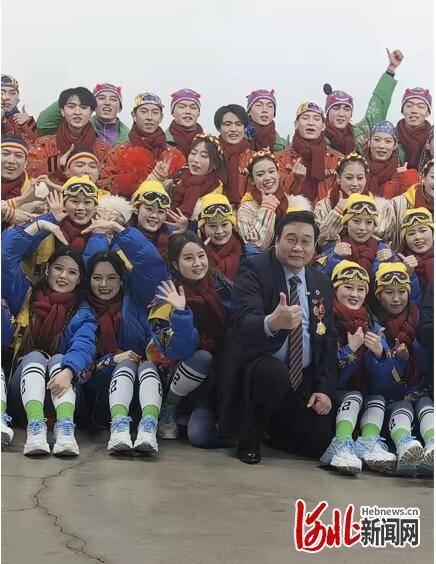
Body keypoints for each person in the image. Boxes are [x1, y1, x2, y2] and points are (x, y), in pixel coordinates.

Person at [216, 211, 338, 464]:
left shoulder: (321, 281)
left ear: (314, 246)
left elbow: (327, 337)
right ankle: (249, 437)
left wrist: (324, 390)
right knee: (273, 374)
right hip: (260, 368)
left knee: (320, 440)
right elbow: (243, 321)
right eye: (291, 239)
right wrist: (272, 322)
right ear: (277, 240)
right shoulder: (255, 269)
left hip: (300, 377)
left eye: (306, 241)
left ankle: (273, 430)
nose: (298, 247)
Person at [3, 223, 97, 456]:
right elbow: (5, 256)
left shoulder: (83, 312)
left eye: (72, 272)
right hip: (21, 394)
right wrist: (42, 224)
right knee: (35, 356)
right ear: (47, 270)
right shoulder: (25, 294)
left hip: (64, 394)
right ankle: (36, 429)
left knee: (60, 360)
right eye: (58, 268)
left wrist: (69, 371)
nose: (63, 276)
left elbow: (84, 345)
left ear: (79, 279)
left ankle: (65, 430)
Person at [79, 216, 168, 454]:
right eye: (97, 278)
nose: (104, 284)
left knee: (147, 364)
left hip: (145, 388)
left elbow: (152, 265)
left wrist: (121, 230)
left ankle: (148, 428)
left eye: (111, 278)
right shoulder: (83, 308)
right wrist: (112, 359)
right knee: (126, 363)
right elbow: (82, 360)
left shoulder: (137, 299)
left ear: (122, 280)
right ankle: (119, 428)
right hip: (100, 396)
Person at [147, 232, 231, 442]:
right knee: (202, 357)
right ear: (175, 264)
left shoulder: (222, 285)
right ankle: (169, 407)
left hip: (218, 374)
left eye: (201, 256)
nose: (197, 264)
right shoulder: (166, 296)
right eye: (188, 258)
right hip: (181, 372)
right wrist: (181, 313)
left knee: (203, 436)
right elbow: (178, 351)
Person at [319, 261, 396, 475]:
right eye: (348, 287)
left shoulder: (371, 323)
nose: (355, 294)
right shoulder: (325, 320)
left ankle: (368, 442)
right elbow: (325, 370)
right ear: (335, 289)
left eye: (360, 289)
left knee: (377, 398)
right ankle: (341, 443)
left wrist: (379, 354)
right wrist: (350, 350)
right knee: (354, 395)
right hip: (332, 395)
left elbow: (384, 382)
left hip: (362, 395)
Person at [100, 92, 185, 197]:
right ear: (134, 115)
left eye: (155, 112)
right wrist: (127, 182)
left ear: (161, 117)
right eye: (144, 112)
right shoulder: (119, 151)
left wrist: (167, 184)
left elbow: (183, 188)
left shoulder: (174, 155)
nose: (149, 117)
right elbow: (103, 184)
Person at [322, 48, 404, 154]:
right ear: (327, 112)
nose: (341, 114)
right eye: (336, 108)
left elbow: (377, 105)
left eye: (347, 109)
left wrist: (391, 69)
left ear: (351, 114)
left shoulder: (359, 133)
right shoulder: (316, 133)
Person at [27, 87, 111, 182]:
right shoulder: (45, 144)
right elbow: (26, 169)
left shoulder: (103, 149)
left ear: (91, 112)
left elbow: (109, 181)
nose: (77, 112)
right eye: (71, 107)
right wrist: (57, 162)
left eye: (83, 107)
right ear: (62, 111)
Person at [237, 151, 310, 252]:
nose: (268, 178)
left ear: (278, 174)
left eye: (271, 172)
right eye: (260, 174)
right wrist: (267, 208)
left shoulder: (293, 202)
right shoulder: (247, 208)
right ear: (251, 180)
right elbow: (254, 246)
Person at [316, 193, 395, 278]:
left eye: (369, 222)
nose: (362, 228)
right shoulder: (334, 249)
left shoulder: (383, 249)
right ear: (346, 224)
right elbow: (317, 277)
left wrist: (391, 261)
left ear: (374, 226)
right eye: (356, 221)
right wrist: (335, 257)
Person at [276, 102, 341, 204]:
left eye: (316, 119)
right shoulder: (280, 158)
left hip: (327, 212)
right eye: (305, 118)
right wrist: (295, 179)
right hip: (291, 212)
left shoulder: (337, 159)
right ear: (296, 124)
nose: (311, 123)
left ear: (323, 126)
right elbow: (276, 193)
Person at [36, 83, 130, 146]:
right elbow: (44, 125)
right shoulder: (77, 127)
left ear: (120, 108)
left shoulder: (130, 137)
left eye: (113, 99)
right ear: (92, 105)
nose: (107, 103)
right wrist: (73, 98)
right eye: (101, 98)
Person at [314, 152, 370, 249]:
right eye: (349, 178)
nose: (355, 184)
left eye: (360, 178)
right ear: (339, 178)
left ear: (365, 179)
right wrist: (337, 212)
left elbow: (380, 237)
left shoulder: (373, 204)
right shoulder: (324, 205)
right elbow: (317, 241)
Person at [377, 159, 433, 249]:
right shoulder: (397, 204)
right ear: (423, 177)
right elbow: (376, 236)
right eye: (433, 177)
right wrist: (391, 254)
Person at [128, 180, 188, 262]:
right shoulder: (121, 235)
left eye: (160, 212)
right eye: (149, 209)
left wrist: (183, 236)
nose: (154, 216)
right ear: (136, 209)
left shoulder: (172, 236)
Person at [171, 133, 225, 217]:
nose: (195, 159)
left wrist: (187, 224)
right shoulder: (178, 179)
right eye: (193, 153)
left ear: (215, 164)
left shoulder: (215, 193)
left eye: (203, 156)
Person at [197, 193, 246, 280]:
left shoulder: (247, 253)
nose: (219, 231)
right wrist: (198, 254)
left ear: (232, 225)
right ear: (202, 229)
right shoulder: (193, 255)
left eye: (224, 225)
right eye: (212, 226)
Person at [365, 121, 419, 199]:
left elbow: (415, 197)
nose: (382, 146)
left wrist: (405, 176)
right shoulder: (358, 167)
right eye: (377, 140)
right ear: (369, 142)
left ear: (395, 146)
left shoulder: (402, 170)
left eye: (388, 141)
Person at [214, 104, 252, 205]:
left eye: (238, 124)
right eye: (227, 124)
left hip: (246, 210)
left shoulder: (254, 158)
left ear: (244, 127)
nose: (233, 129)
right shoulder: (211, 154)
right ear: (218, 128)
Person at [397, 208, 433, 306]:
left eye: (423, 230)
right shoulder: (397, 262)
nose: (418, 237)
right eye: (411, 233)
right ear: (405, 240)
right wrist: (408, 274)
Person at [397, 87, 432, 169]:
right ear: (402, 110)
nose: (414, 111)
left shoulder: (432, 139)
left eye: (421, 107)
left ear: (428, 113)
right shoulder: (390, 136)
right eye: (409, 106)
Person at [1, 74, 39, 144]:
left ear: (18, 100)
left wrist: (27, 124)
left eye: (12, 93)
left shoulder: (25, 121)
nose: (7, 97)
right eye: (2, 93)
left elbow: (38, 143)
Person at [166, 89, 203, 157]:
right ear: (173, 112)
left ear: (198, 113)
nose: (188, 111)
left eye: (193, 107)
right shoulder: (162, 141)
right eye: (182, 107)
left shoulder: (207, 143)